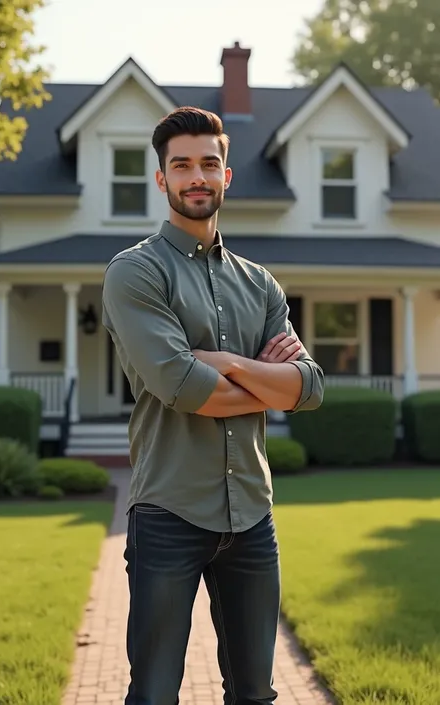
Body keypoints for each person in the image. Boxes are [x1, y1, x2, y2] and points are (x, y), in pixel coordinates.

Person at [102, 106, 324, 705]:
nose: (196, 176)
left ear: (227, 176)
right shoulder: (136, 273)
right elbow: (182, 389)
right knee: (154, 693)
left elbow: (310, 387)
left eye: (209, 163)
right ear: (162, 180)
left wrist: (227, 363)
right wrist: (265, 381)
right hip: (168, 515)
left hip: (252, 516)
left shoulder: (261, 284)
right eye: (182, 165)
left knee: (255, 692)